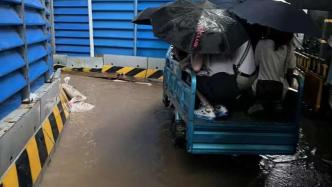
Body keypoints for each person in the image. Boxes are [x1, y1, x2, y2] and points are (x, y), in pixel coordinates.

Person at [191, 40, 256, 120]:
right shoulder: (234, 37)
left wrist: (194, 51)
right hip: (234, 81)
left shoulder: (207, 39)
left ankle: (207, 107)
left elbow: (196, 67)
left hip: (220, 82)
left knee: (191, 78)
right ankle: (219, 107)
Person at [249, 29, 296, 113]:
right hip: (280, 90)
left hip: (260, 88)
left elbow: (255, 63)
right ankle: (277, 106)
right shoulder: (289, 48)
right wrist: (291, 85)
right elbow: (290, 70)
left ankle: (259, 105)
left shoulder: (262, 43)